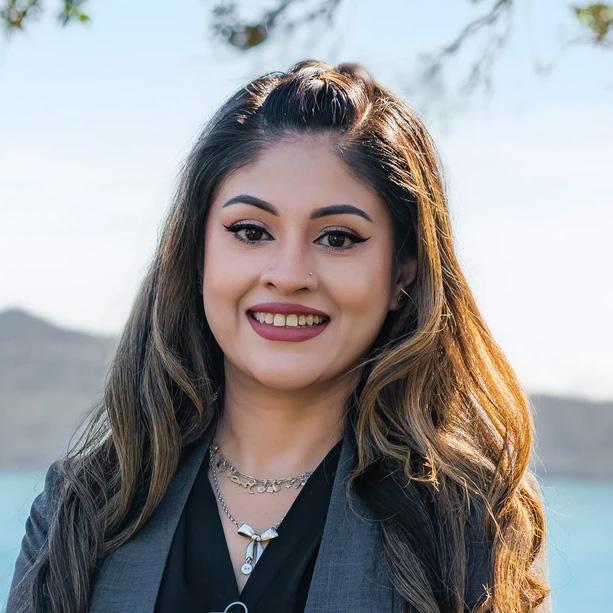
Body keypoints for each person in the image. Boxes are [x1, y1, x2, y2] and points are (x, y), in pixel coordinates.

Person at [7, 59, 552, 613]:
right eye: (251, 231)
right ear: (198, 253)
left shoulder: (467, 522)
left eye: (338, 238)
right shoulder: (83, 509)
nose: (289, 275)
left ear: (402, 273)